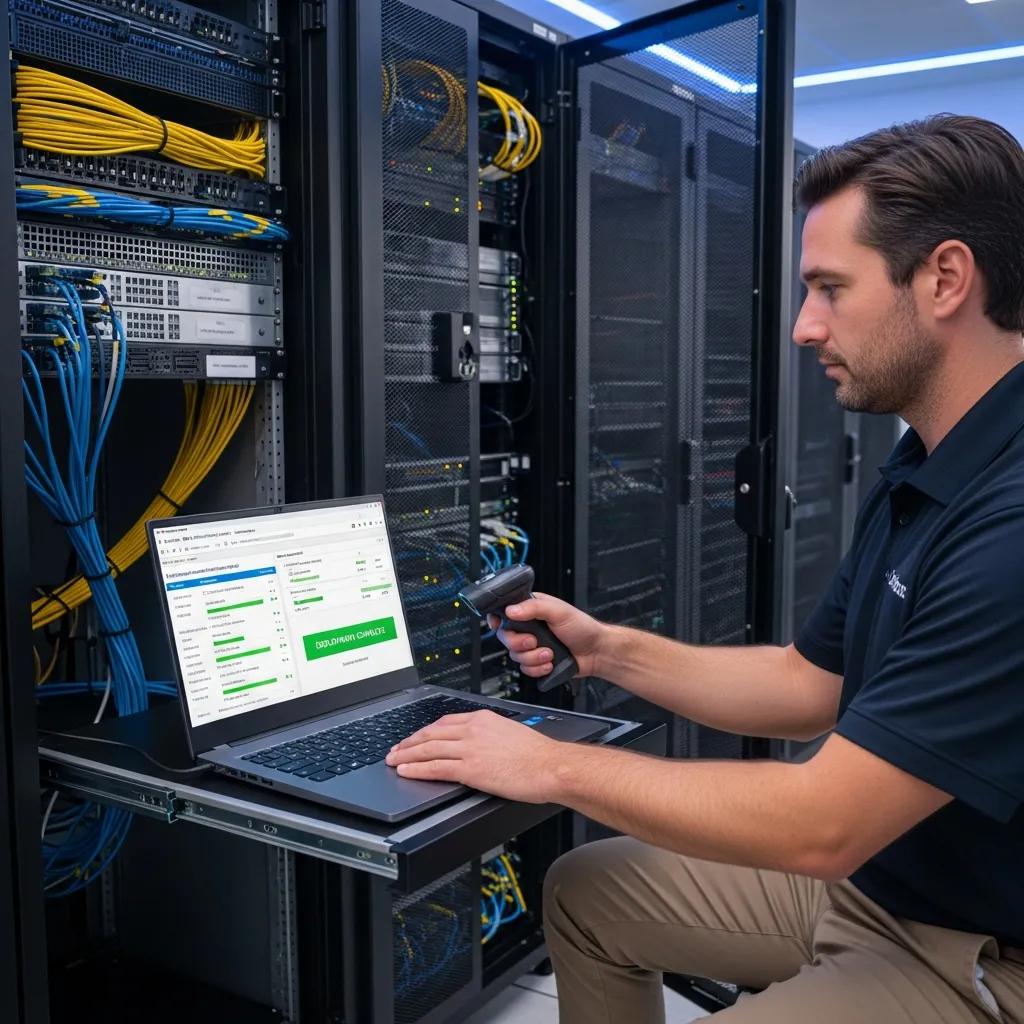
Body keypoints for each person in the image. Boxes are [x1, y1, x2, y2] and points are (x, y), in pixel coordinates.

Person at [385, 115, 1024, 1022]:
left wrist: (551, 766)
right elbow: (807, 684)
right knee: (589, 891)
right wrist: (605, 650)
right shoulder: (926, 462)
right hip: (884, 886)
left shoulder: (1009, 524)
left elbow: (823, 824)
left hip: (981, 954)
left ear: (946, 279)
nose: (803, 328)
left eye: (831, 288)